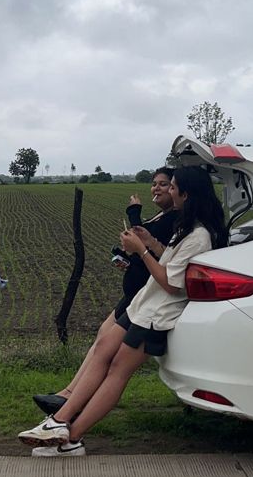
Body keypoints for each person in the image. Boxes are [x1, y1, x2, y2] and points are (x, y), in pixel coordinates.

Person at [19, 166, 227, 455]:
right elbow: (169, 260)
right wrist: (150, 241)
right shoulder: (187, 227)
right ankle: (63, 425)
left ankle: (68, 434)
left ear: (186, 193)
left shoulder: (199, 235)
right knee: (108, 355)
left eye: (173, 186)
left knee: (118, 371)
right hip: (146, 306)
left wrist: (141, 250)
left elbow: (171, 283)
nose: (168, 191)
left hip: (157, 314)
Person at [31, 169, 177, 418]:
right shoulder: (164, 215)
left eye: (165, 185)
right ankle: (68, 395)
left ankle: (71, 402)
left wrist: (133, 212)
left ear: (178, 191)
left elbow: (146, 242)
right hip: (136, 292)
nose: (158, 188)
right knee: (102, 340)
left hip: (143, 295)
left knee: (108, 352)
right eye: (155, 184)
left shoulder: (172, 219)